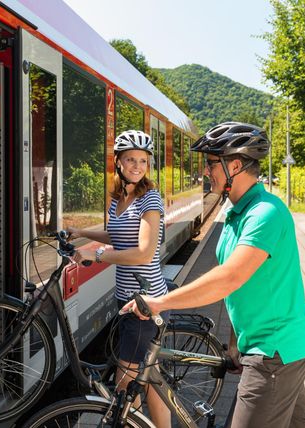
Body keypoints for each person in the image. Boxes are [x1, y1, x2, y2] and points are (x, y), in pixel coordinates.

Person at [123, 122, 305, 428]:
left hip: (274, 351)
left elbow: (229, 278)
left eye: (211, 164)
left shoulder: (265, 213)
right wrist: (233, 341)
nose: (205, 172)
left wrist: (160, 302)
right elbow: (236, 288)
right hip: (262, 343)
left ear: (235, 165)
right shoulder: (236, 213)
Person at [69, 130, 171, 428]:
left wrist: (97, 256)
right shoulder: (120, 197)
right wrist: (83, 234)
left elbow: (142, 253)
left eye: (143, 160)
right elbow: (117, 235)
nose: (137, 166)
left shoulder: (150, 199)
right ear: (119, 163)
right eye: (131, 159)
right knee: (149, 379)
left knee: (126, 385)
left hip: (145, 303)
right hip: (126, 299)